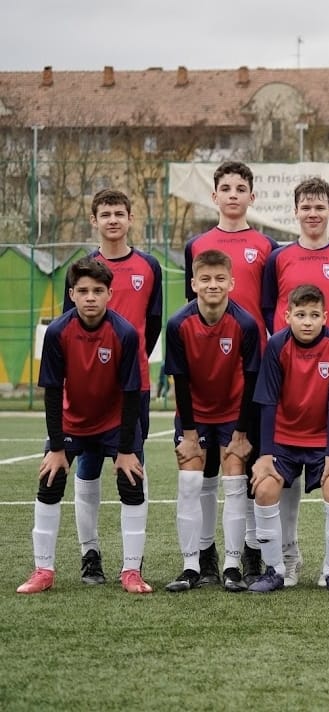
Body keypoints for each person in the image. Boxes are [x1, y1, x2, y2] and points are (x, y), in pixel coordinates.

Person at [18, 258, 149, 594]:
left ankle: (131, 571)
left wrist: (125, 450)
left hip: (115, 423)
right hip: (72, 422)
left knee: (132, 482)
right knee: (49, 480)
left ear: (109, 294)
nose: (91, 297)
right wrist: (56, 448)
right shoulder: (57, 332)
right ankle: (43, 570)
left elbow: (131, 394)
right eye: (84, 291)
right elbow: (51, 391)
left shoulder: (124, 333)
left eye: (98, 291)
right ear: (72, 294)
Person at [261, 177, 329, 588]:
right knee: (276, 482)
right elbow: (268, 306)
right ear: (296, 211)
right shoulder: (278, 258)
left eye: (320, 206)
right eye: (306, 206)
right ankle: (284, 561)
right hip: (290, 376)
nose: (313, 213)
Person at [184, 160, 279, 587]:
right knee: (205, 470)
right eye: (226, 188)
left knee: (249, 462)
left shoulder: (267, 246)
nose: (234, 195)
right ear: (215, 195)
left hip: (252, 372)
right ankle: (205, 555)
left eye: (241, 188)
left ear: (252, 197)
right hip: (209, 372)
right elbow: (192, 307)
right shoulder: (198, 244)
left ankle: (251, 553)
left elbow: (270, 308)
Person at [63, 189, 161, 588]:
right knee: (87, 468)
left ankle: (132, 564)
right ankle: (90, 555)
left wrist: (130, 364)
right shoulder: (82, 268)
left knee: (132, 467)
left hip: (134, 387)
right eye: (105, 214)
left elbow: (152, 324)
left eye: (119, 213)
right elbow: (68, 329)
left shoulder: (149, 266)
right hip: (90, 388)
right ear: (94, 220)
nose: (113, 220)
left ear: (130, 218)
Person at [163, 249, 261, 592]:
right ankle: (192, 566)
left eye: (220, 278)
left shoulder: (245, 324)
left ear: (232, 282)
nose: (213, 284)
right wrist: (189, 434)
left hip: (233, 415)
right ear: (193, 284)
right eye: (205, 279)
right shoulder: (178, 324)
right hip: (195, 416)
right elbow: (180, 381)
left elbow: (251, 380)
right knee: (190, 482)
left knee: (234, 482)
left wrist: (242, 433)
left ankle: (232, 567)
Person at [249, 284, 329, 593]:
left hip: (325, 440)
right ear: (287, 316)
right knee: (264, 489)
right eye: (300, 315)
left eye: (313, 315)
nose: (307, 322)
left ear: (325, 317)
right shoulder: (276, 345)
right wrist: (265, 455)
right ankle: (274, 570)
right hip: (284, 439)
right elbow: (267, 401)